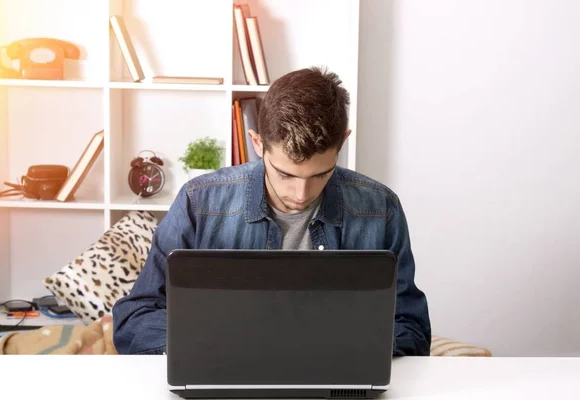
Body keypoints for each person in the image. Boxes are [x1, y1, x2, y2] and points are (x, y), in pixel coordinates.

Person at [112, 66, 431, 356]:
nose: (301, 194)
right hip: (224, 371)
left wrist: (343, 343)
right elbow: (136, 316)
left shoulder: (380, 208)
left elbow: (412, 327)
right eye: (285, 174)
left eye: (321, 174)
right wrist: (205, 343)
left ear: (342, 142)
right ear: (257, 142)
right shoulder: (200, 203)